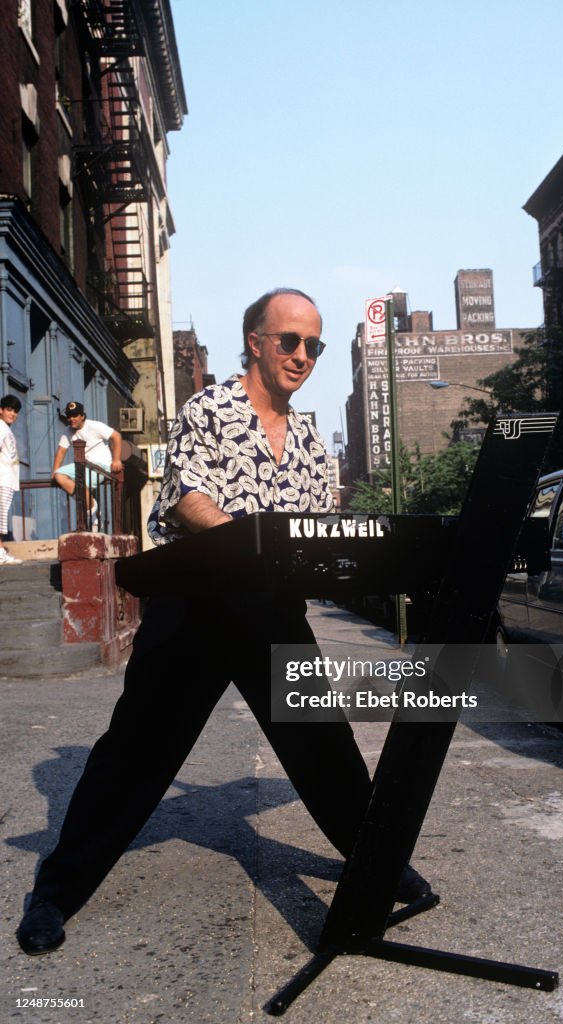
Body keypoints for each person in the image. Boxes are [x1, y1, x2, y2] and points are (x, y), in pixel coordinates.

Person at [17, 288, 432, 956]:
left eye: (314, 346)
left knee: (323, 745)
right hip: (196, 605)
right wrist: (253, 545)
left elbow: (313, 530)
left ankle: (376, 864)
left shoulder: (306, 438)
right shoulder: (208, 406)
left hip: (270, 610)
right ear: (257, 343)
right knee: (135, 755)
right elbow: (186, 498)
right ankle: (56, 891)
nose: (302, 356)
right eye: (290, 341)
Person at [51, 402, 123, 531]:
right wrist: (54, 471)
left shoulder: (95, 426)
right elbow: (61, 451)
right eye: (69, 416)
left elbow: (116, 436)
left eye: (75, 415)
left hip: (101, 466)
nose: (71, 419)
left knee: (80, 484)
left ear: (82, 416)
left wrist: (116, 459)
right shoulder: (67, 431)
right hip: (83, 466)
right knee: (60, 476)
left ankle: (93, 516)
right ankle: (93, 511)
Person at [0, 394, 22, 565]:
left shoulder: (6, 429)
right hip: (2, 478)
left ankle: (0, 550)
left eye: (15, 411)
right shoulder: (1, 427)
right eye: (9, 409)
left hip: (7, 478)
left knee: (2, 516)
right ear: (1, 410)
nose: (12, 414)